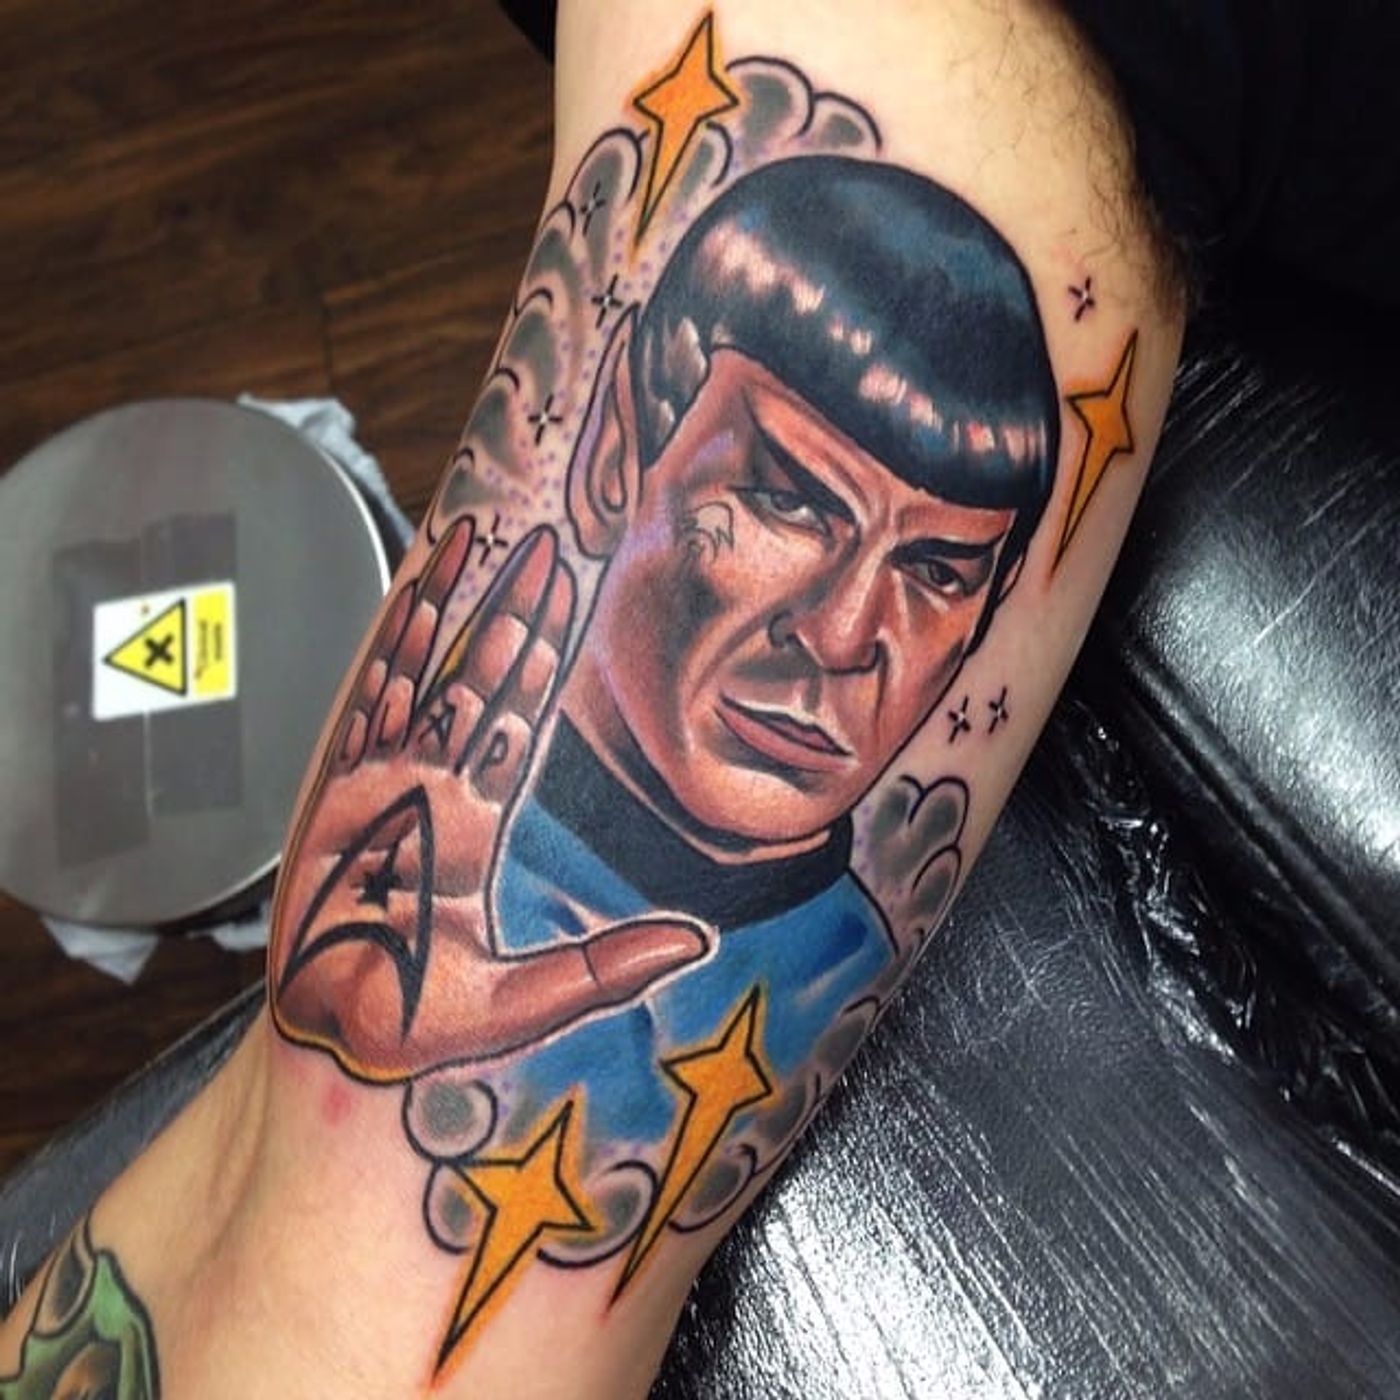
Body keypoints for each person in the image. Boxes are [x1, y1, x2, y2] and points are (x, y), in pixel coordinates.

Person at [1, 3, 1190, 1396]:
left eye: (935, 574)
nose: (845, 637)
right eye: (789, 501)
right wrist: (345, 1084)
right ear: (621, 444)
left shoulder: (831, 944)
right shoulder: (442, 869)